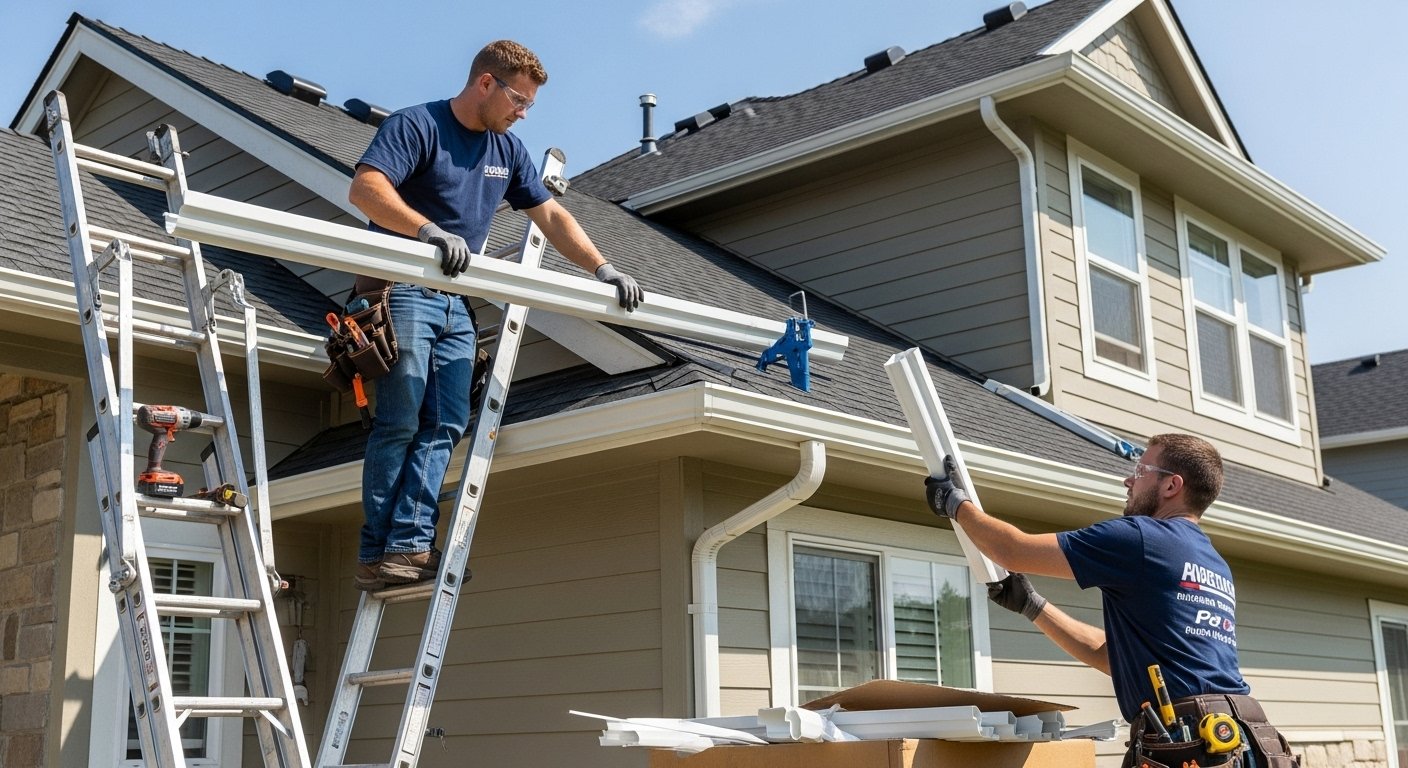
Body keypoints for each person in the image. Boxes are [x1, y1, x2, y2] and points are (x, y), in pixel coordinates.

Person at [348, 40, 644, 591]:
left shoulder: (507, 150)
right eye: (518, 100)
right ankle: (375, 553)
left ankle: (409, 545)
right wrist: (427, 231)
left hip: (455, 300)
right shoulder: (418, 126)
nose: (523, 113)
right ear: (486, 83)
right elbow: (366, 188)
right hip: (400, 291)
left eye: (530, 105)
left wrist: (603, 269)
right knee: (400, 421)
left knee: (446, 423)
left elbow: (551, 216)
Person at [925, 433, 1298, 767]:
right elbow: (1112, 657)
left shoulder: (1141, 539)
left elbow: (1012, 550)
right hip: (1242, 737)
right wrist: (1033, 606)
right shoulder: (1212, 563)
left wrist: (955, 503)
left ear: (1172, 485)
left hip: (1191, 743)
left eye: (1141, 470)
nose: (1128, 480)